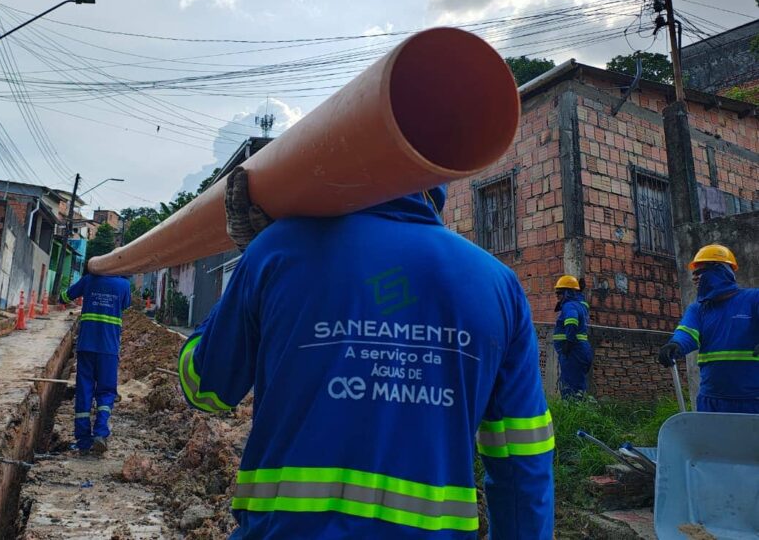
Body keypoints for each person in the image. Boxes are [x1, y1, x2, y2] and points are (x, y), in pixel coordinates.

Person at [177, 168, 554, 538]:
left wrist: (250, 266)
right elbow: (524, 463)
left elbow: (205, 388)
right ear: (440, 180)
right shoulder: (499, 285)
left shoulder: (278, 250)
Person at [658, 244, 759, 413]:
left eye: (700, 272)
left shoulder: (753, 299)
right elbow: (687, 333)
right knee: (709, 440)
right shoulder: (698, 309)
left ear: (720, 270)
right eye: (693, 274)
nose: (695, 278)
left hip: (753, 400)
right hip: (711, 401)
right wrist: (675, 345)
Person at [60, 267, 131, 454]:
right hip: (109, 348)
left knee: (84, 389)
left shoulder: (89, 279)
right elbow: (125, 305)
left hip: (87, 345)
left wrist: (60, 296)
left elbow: (66, 297)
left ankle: (83, 440)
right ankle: (100, 431)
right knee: (106, 390)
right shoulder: (124, 284)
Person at [552, 275, 593, 398]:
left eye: (559, 292)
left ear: (568, 293)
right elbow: (582, 303)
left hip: (573, 350)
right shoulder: (580, 304)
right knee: (577, 384)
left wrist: (568, 342)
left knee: (571, 386)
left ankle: (572, 411)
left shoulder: (569, 306)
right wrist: (579, 292)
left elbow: (572, 321)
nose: (557, 296)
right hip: (580, 350)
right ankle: (578, 410)